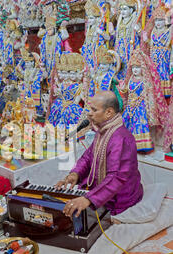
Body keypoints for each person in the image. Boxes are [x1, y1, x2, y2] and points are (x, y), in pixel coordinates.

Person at [55, 91, 143, 219]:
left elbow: (117, 177)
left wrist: (89, 199)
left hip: (120, 198)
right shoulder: (104, 130)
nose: (89, 113)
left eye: (94, 109)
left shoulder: (121, 139)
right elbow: (88, 156)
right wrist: (75, 174)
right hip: (101, 189)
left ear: (109, 112)